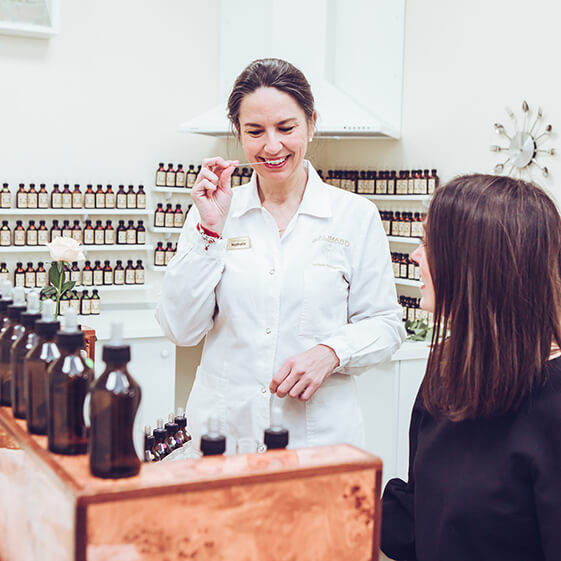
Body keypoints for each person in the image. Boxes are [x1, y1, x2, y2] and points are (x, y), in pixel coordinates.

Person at [156, 58, 405, 453]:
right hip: (223, 437)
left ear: (311, 122)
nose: (272, 146)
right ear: (238, 134)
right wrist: (208, 231)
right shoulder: (215, 212)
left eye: (286, 128)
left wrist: (332, 351)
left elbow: (387, 324)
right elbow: (180, 329)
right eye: (255, 131)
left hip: (316, 441)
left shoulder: (354, 216)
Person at [381, 174, 561, 561]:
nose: (415, 256)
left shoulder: (553, 405)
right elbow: (417, 518)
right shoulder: (446, 367)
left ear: (474, 264)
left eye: (427, 243)